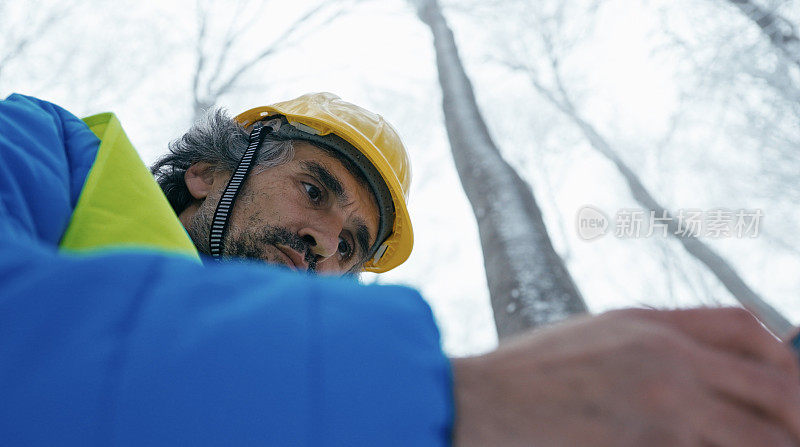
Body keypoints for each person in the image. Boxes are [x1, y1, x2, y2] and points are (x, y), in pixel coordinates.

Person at [1, 93, 799, 446]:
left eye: (351, 245)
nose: (324, 244)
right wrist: (446, 400)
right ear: (211, 170)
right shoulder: (52, 157)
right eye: (315, 190)